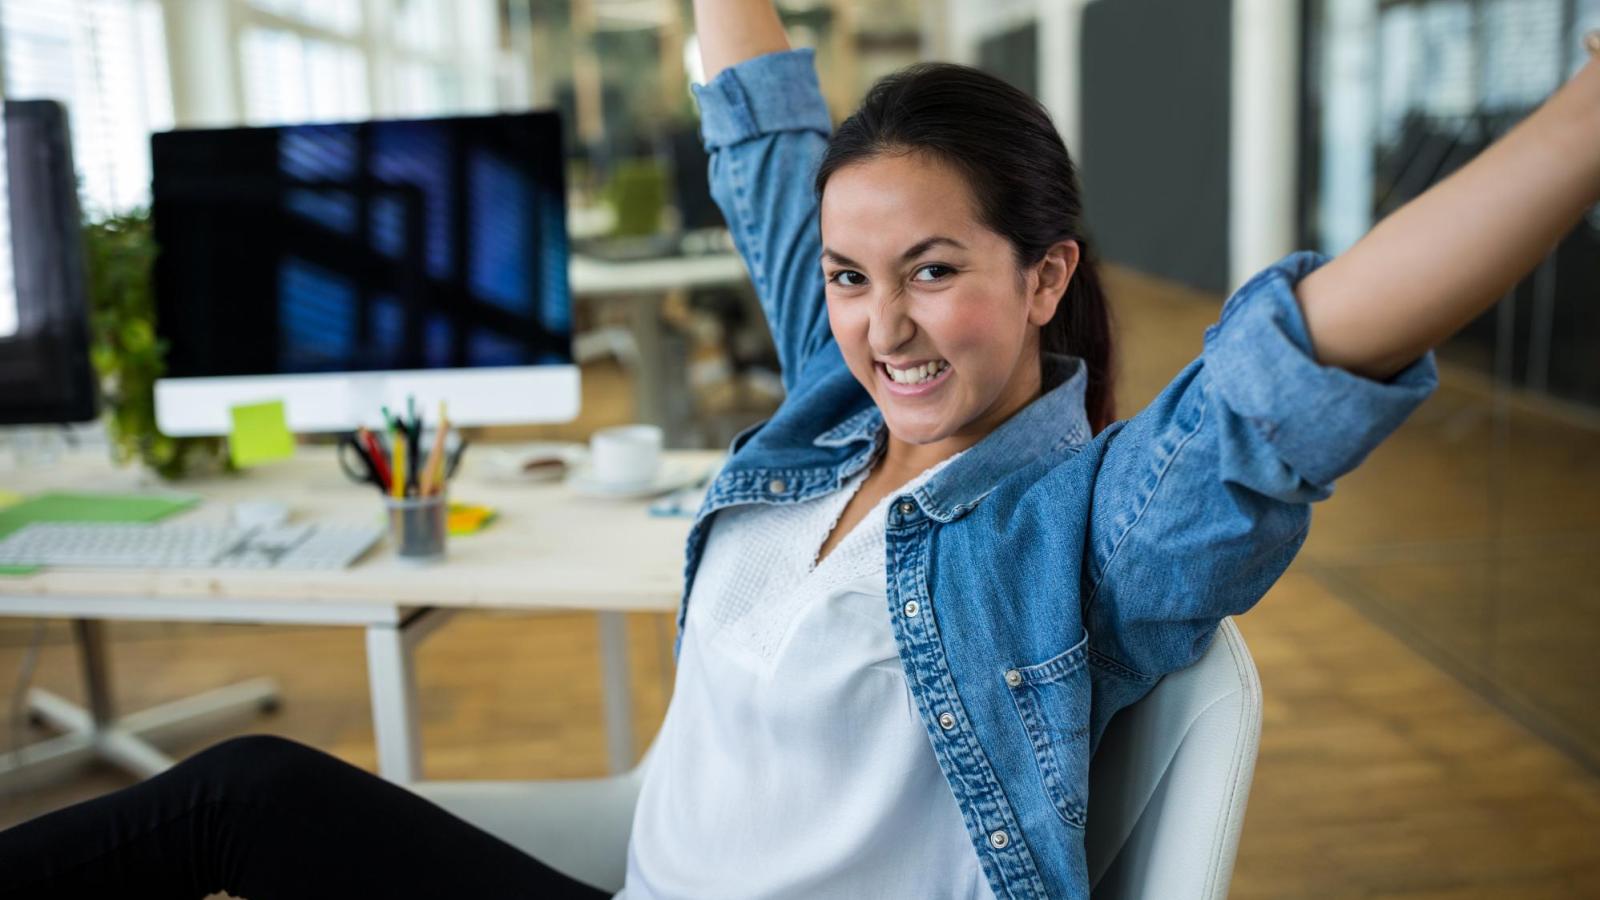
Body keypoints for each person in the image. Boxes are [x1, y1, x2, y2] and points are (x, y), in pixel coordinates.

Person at [5, 2, 1599, 897]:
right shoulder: (836, 410)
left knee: (238, 817)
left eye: (936, 271)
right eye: (849, 277)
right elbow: (765, 128)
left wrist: (1587, 115)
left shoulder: (1099, 530)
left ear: (1044, 275)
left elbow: (1306, 358)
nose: (884, 326)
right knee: (241, 810)